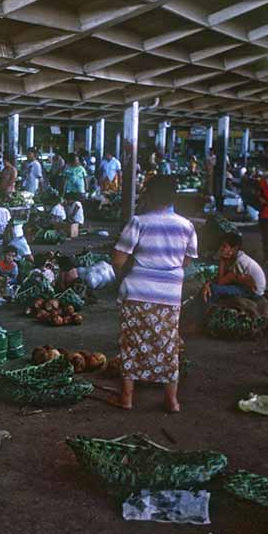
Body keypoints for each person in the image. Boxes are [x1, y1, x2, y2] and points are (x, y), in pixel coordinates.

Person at [110, 175, 198, 412]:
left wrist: (132, 269)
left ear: (148, 196)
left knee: (131, 343)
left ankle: (127, 397)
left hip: (138, 292)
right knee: (167, 345)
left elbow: (118, 259)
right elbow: (187, 261)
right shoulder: (186, 225)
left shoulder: (138, 222)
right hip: (169, 295)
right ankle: (172, 401)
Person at [203, 232, 266, 303]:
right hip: (246, 286)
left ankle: (208, 310)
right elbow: (223, 278)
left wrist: (222, 261)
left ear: (234, 248)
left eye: (224, 246)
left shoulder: (240, 261)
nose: (221, 248)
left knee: (214, 289)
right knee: (212, 285)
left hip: (253, 292)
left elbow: (221, 281)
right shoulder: (235, 258)